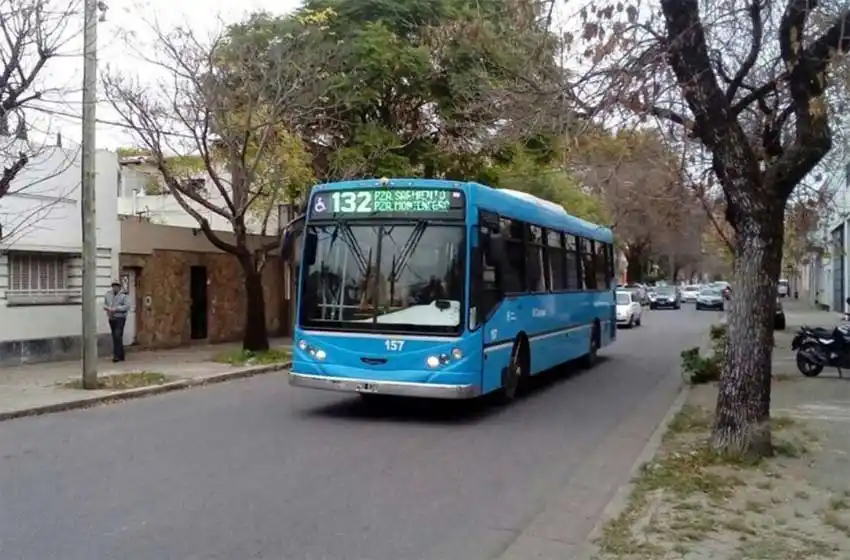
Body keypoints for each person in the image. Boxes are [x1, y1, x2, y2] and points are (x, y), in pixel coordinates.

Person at [104, 280, 130, 362]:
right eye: (113, 286)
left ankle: (116, 356)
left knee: (117, 335)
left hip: (120, 318)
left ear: (119, 287)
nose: (115, 288)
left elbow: (126, 306)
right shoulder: (108, 294)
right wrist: (107, 309)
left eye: (116, 286)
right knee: (116, 337)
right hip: (112, 318)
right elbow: (105, 304)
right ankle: (121, 355)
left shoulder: (124, 295)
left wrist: (116, 309)